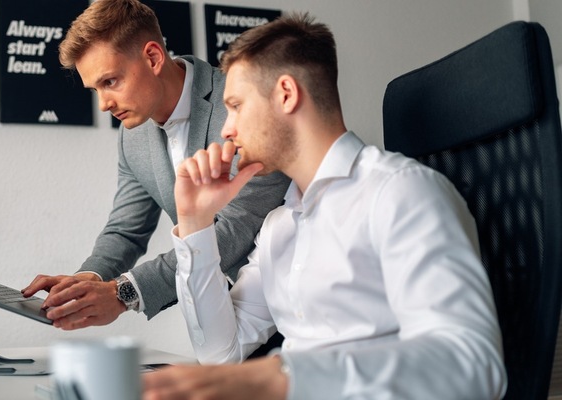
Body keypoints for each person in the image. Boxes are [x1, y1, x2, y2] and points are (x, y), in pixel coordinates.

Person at [143, 12, 506, 400]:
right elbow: (220, 354)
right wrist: (195, 221)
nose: (226, 129)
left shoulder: (399, 192)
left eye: (236, 106)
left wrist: (282, 376)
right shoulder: (280, 226)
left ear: (286, 94)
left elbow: (473, 365)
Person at [21, 0, 290, 333]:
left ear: (152, 57)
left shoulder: (241, 103)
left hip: (298, 302)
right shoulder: (131, 137)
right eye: (95, 89)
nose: (103, 104)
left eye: (110, 82)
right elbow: (126, 229)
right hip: (228, 318)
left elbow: (238, 226)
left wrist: (124, 293)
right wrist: (87, 280)